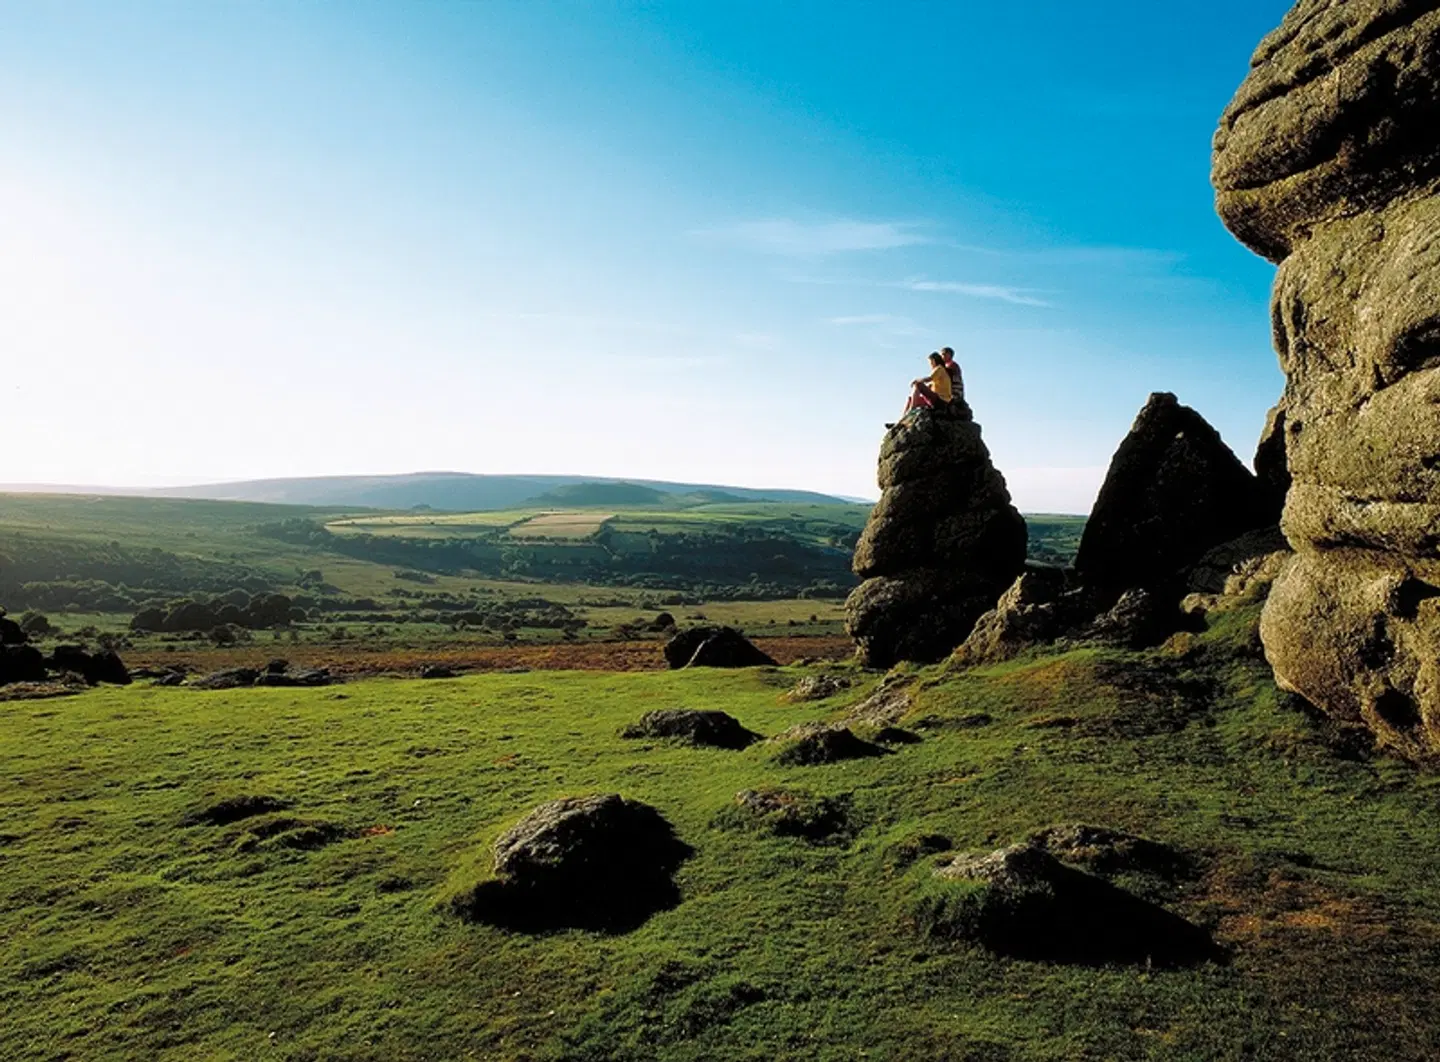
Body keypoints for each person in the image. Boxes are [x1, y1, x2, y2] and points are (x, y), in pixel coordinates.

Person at [887, 351, 951, 427]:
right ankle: (901, 422)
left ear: (934, 361)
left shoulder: (939, 368)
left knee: (918, 384)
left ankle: (912, 409)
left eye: (930, 362)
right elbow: (931, 385)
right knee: (911, 400)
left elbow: (929, 378)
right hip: (936, 401)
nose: (930, 364)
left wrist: (917, 381)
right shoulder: (939, 375)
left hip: (941, 401)